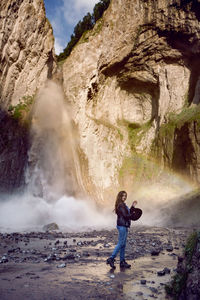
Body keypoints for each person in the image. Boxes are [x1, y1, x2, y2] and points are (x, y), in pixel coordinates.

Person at [106, 190, 137, 269]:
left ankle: (122, 261)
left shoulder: (122, 205)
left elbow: (127, 212)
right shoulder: (120, 205)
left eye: (125, 196)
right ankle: (111, 258)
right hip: (122, 226)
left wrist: (133, 207)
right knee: (120, 243)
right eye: (123, 196)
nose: (124, 197)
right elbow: (126, 215)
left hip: (124, 225)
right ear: (120, 196)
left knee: (123, 244)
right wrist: (133, 214)